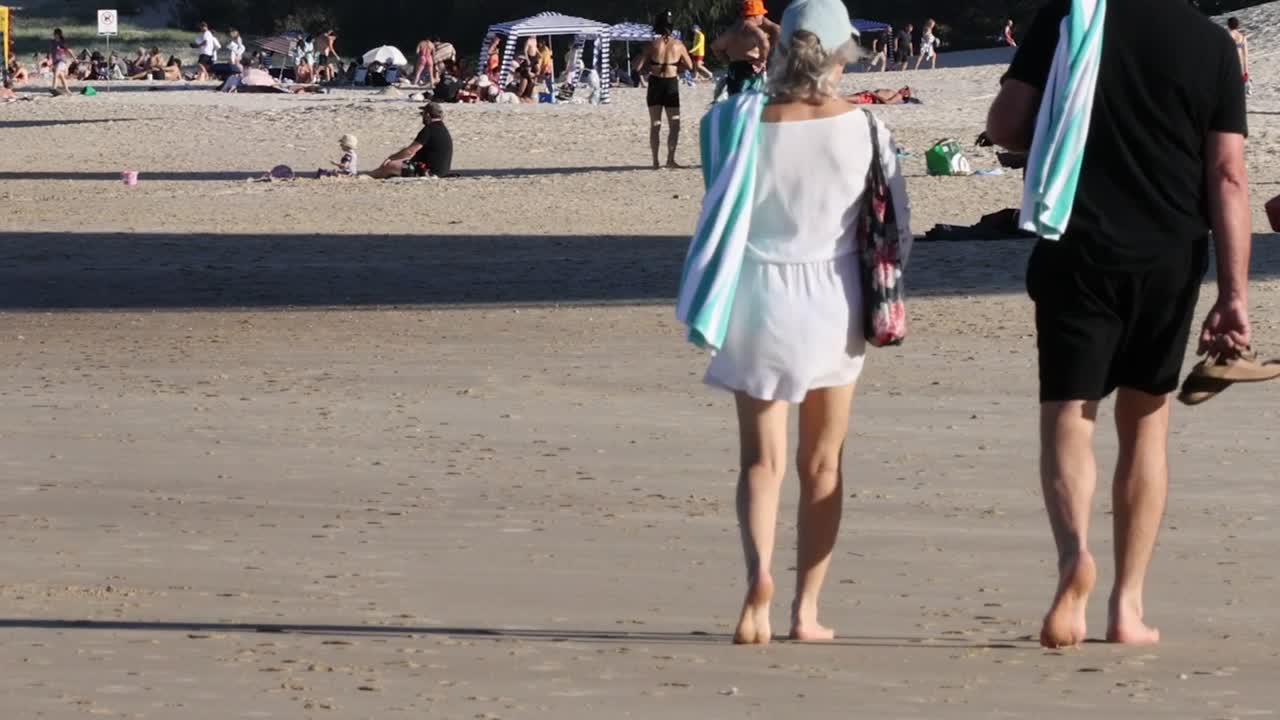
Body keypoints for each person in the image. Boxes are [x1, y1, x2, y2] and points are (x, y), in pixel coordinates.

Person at [985, 0, 1250, 648]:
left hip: (1077, 243)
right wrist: (1235, 293)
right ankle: (1127, 607)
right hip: (1170, 254)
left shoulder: (1071, 17)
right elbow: (1228, 175)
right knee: (1146, 425)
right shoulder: (1211, 45)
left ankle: (1075, 555)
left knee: (1070, 414)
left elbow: (1008, 126)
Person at [683, 0, 912, 645]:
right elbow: (895, 225)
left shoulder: (739, 123)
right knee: (823, 464)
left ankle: (757, 583)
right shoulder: (866, 129)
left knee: (761, 462)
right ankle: (805, 610)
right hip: (833, 297)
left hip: (757, 292)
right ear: (843, 55)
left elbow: (716, 189)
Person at [635, 10, 692, 169]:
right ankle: (670, 159)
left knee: (655, 124)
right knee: (674, 124)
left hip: (655, 84)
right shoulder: (679, 45)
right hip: (670, 83)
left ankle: (655, 161)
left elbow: (638, 67)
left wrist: (649, 64)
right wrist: (676, 67)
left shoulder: (651, 45)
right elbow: (690, 66)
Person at [712, 0, 781, 96]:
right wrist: (762, 60)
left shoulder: (732, 30)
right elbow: (764, 44)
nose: (762, 17)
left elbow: (715, 47)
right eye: (762, 14)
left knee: (734, 98)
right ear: (755, 15)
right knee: (752, 100)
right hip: (751, 68)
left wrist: (727, 61)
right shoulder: (754, 31)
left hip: (734, 69)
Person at [371, 103, 454, 179]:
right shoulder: (442, 128)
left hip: (429, 171)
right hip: (441, 170)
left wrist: (390, 158)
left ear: (428, 115)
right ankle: (373, 174)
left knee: (390, 165)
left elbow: (410, 151)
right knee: (396, 165)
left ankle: (371, 176)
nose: (422, 116)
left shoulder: (429, 129)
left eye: (422, 114)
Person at [1228, 17, 1250, 97]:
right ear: (1238, 25)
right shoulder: (1243, 37)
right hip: (1240, 64)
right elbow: (1246, 56)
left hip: (1231, 65)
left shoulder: (1227, 36)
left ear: (1228, 25)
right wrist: (1246, 72)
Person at [49, 28, 71, 94]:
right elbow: (51, 51)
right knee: (61, 76)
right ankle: (67, 90)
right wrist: (49, 58)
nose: (55, 35)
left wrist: (74, 58)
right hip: (55, 61)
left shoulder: (62, 42)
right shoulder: (52, 42)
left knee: (56, 73)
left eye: (56, 34)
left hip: (62, 60)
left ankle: (54, 87)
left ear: (59, 34)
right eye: (54, 34)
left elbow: (68, 50)